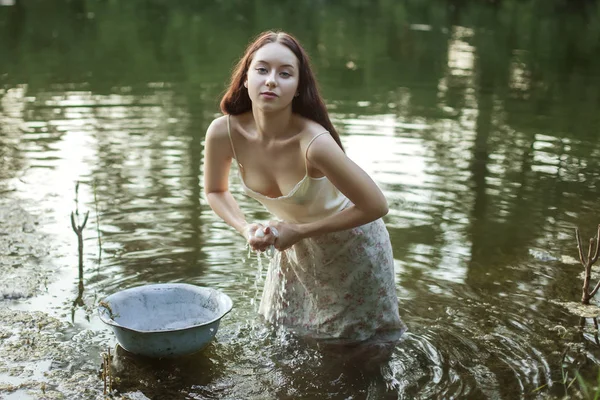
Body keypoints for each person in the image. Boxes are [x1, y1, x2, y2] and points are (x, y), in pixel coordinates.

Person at [203, 31, 406, 356]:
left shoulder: (313, 143)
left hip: (352, 248)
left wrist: (300, 231)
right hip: (293, 243)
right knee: (283, 337)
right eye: (262, 70)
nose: (271, 81)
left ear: (298, 88)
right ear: (245, 78)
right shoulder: (223, 132)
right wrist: (246, 228)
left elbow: (376, 205)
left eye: (285, 73)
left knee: (355, 349)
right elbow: (215, 190)